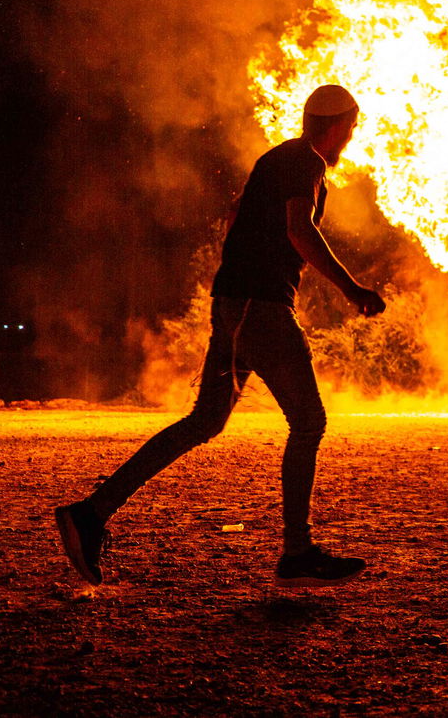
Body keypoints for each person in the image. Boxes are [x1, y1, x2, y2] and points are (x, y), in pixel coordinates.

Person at [55, 84, 386, 588]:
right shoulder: (307, 163)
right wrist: (350, 287)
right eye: (353, 127)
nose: (351, 136)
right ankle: (297, 552)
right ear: (339, 125)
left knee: (205, 420)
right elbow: (300, 229)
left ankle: (92, 513)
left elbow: (237, 213)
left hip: (238, 303)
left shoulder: (277, 159)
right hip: (260, 307)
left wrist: (244, 270)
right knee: (309, 421)